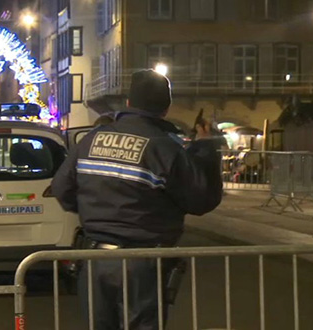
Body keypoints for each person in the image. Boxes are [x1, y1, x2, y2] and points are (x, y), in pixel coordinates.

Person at [51, 69, 223, 330]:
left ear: (128, 103)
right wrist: (206, 149)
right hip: (142, 262)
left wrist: (96, 212)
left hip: (95, 256)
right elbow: (201, 199)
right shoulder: (164, 147)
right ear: (165, 109)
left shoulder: (92, 140)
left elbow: (62, 189)